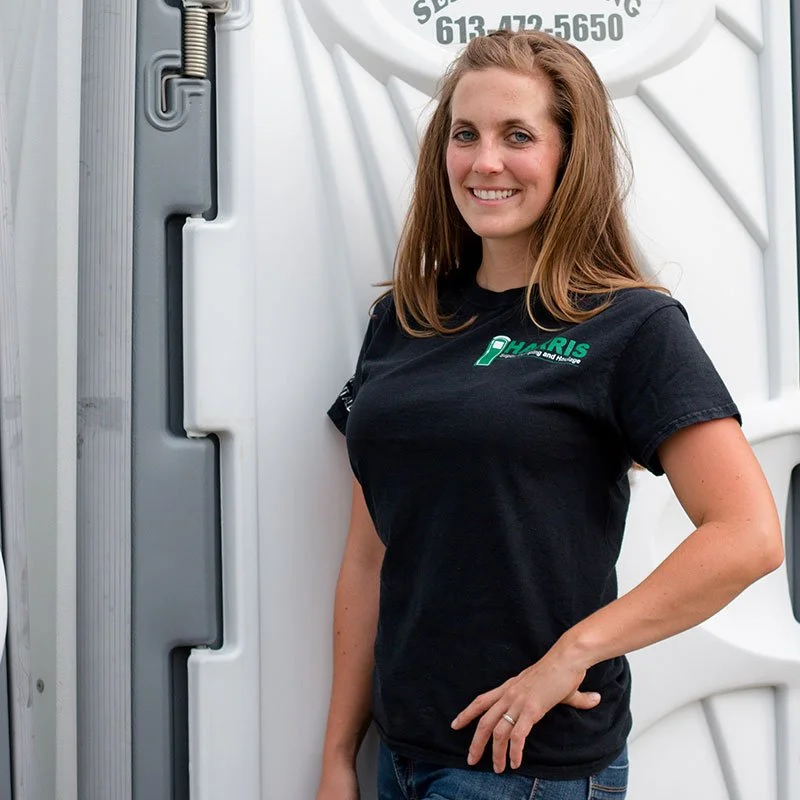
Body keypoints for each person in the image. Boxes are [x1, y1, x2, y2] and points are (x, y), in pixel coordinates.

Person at [317, 30, 783, 800]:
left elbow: (748, 535)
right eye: (464, 134)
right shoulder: (404, 318)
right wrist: (340, 753)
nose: (484, 162)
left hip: (526, 767)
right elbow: (370, 553)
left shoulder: (632, 326)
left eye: (518, 136)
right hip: (404, 754)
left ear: (570, 157)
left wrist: (572, 653)